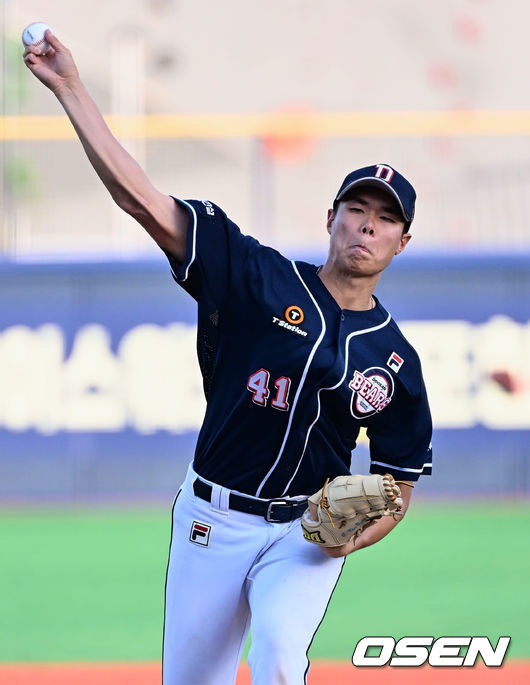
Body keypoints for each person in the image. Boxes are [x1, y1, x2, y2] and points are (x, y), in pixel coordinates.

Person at [24, 30, 432, 685]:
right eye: (356, 208)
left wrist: (346, 532)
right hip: (213, 518)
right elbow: (143, 202)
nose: (366, 224)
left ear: (402, 240)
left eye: (385, 218)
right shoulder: (254, 276)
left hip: (305, 529)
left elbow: (397, 486)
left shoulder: (394, 360)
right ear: (330, 216)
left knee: (276, 658)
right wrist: (71, 87)